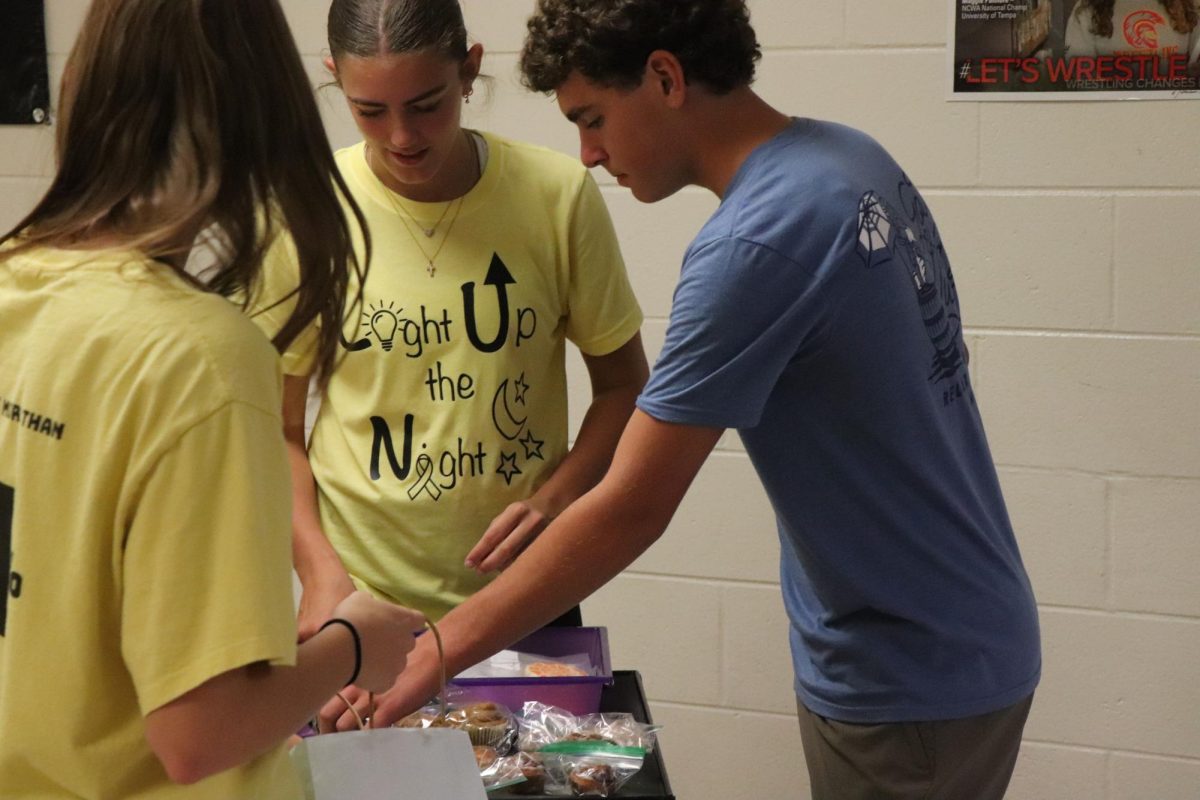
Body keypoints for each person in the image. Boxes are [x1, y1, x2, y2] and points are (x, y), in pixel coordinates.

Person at [343, 1, 1044, 798]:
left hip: (909, 670)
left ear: (666, 77)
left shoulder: (757, 242)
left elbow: (632, 507)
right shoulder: (846, 158)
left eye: (593, 117)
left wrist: (434, 651)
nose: (591, 152)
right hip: (957, 631)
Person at [0, 0, 426, 797]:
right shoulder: (198, 357)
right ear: (260, 119)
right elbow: (199, 732)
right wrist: (356, 644)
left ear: (80, 89)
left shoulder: (14, 282)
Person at [250, 0, 647, 643]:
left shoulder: (555, 195)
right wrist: (322, 575)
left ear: (469, 71)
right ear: (335, 78)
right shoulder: (306, 211)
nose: (402, 137)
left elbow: (625, 387)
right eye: (369, 111)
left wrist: (556, 499)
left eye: (428, 103)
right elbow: (277, 430)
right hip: (361, 599)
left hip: (526, 595)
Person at [1065, 0, 1200, 73]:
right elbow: (1079, 76)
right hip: (1112, 115)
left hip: (1176, 111)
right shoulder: (1087, 8)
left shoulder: (1189, 4)